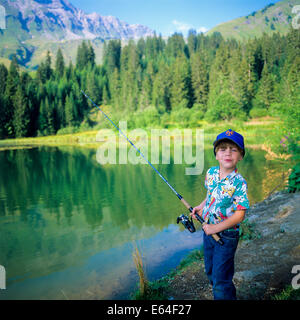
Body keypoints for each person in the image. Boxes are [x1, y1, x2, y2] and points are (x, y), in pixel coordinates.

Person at [191, 129, 250, 300]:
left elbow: (240, 216)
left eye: (233, 149)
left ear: (240, 156)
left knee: (221, 279)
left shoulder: (239, 183)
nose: (228, 153)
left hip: (227, 235)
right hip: (208, 232)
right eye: (223, 149)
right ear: (216, 154)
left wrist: (214, 227)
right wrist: (200, 207)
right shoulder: (210, 173)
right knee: (210, 270)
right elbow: (210, 196)